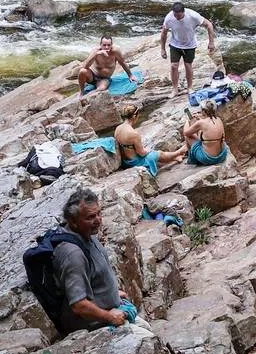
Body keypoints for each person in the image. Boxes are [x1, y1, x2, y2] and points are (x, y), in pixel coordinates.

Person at [53, 188, 135, 333]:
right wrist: (109, 317)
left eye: (99, 213)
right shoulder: (73, 254)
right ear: (73, 221)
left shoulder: (87, 234)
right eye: (90, 217)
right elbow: (79, 305)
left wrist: (112, 292)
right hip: (96, 325)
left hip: (113, 309)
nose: (98, 220)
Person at [161, 2, 216, 98]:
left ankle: (190, 88)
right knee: (174, 66)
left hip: (189, 45)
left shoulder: (193, 16)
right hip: (175, 44)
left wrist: (211, 42)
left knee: (188, 65)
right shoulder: (169, 17)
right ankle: (175, 89)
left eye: (178, 15)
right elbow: (164, 33)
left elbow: (209, 25)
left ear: (184, 12)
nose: (176, 18)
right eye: (175, 15)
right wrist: (162, 49)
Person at [115, 103, 186, 176]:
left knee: (153, 154)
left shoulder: (118, 129)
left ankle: (175, 158)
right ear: (134, 116)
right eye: (138, 115)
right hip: (136, 163)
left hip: (126, 162)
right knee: (158, 153)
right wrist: (149, 151)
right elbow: (142, 153)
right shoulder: (133, 134)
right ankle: (179, 152)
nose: (139, 117)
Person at [184, 100, 229, 166]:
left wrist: (187, 122)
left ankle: (191, 160)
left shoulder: (201, 123)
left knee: (188, 136)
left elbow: (186, 133)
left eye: (201, 110)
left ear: (204, 111)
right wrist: (199, 120)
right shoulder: (218, 119)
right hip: (222, 155)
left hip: (208, 158)